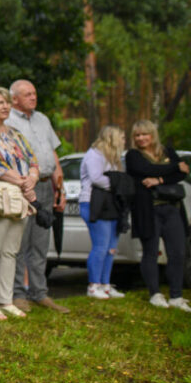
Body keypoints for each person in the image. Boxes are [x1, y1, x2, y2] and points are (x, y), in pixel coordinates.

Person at [6, 79, 69, 313]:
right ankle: (17, 293)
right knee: (20, 243)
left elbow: (52, 155)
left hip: (45, 186)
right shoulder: (8, 121)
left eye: (34, 93)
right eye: (27, 94)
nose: (33, 97)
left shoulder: (43, 119)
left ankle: (40, 293)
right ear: (15, 99)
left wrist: (60, 189)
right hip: (21, 187)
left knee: (41, 243)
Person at [0, 87, 39, 321]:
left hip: (19, 197)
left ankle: (5, 299)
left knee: (11, 251)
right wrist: (21, 180)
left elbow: (33, 160)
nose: (5, 106)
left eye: (6, 102)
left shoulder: (15, 133)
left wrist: (30, 179)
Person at [126, 120, 190, 311]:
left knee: (178, 252)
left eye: (144, 134)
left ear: (152, 135)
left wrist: (159, 179)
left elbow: (182, 175)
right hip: (148, 210)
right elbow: (146, 170)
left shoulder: (167, 151)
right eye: (137, 135)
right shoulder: (133, 155)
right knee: (151, 252)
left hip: (172, 209)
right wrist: (174, 168)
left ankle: (176, 296)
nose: (140, 138)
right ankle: (155, 293)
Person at [79, 125, 126, 300]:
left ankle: (105, 284)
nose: (124, 140)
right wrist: (119, 183)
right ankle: (93, 285)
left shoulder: (114, 158)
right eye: (121, 137)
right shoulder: (95, 154)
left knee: (111, 247)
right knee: (100, 246)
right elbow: (96, 178)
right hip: (94, 204)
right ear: (111, 137)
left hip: (112, 204)